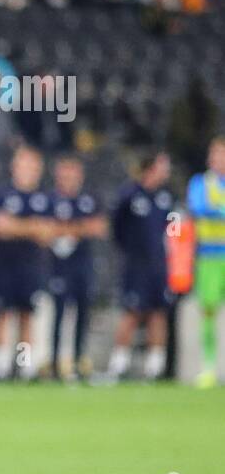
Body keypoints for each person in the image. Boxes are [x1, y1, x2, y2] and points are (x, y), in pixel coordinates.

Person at [0, 146, 55, 380]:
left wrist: (15, 226)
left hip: (32, 266)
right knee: (2, 314)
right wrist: (32, 227)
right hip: (4, 264)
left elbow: (49, 232)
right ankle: (2, 364)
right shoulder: (3, 194)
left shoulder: (45, 198)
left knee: (27, 316)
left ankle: (23, 365)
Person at [108, 153, 174, 381]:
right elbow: (116, 227)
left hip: (159, 264)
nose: (167, 172)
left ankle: (155, 368)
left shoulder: (166, 197)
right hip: (135, 263)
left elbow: (172, 228)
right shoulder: (129, 195)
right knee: (132, 312)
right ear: (150, 168)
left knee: (158, 313)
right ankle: (118, 366)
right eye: (162, 166)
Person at [45, 156, 105, 381]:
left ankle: (79, 361)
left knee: (82, 314)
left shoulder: (89, 199)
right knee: (59, 315)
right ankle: (54, 363)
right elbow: (43, 229)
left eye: (73, 174)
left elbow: (99, 227)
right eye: (65, 174)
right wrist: (80, 228)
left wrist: (66, 229)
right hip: (57, 268)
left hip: (82, 266)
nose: (69, 179)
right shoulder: (50, 199)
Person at [186, 137, 225, 388]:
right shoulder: (200, 183)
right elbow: (198, 209)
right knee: (209, 312)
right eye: (216, 154)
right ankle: (208, 368)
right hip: (209, 257)